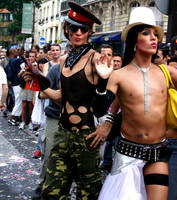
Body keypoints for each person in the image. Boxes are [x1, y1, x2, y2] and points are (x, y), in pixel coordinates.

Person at [23, 1, 113, 199]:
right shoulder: (65, 59)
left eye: (83, 29)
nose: (78, 33)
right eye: (74, 28)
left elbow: (99, 110)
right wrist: (39, 81)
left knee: (87, 194)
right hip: (62, 135)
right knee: (51, 192)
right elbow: (61, 97)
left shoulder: (96, 59)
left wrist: (102, 82)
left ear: (89, 31)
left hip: (85, 138)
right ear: (67, 29)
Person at [86, 7, 177, 200]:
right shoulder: (119, 76)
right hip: (128, 153)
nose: (154, 38)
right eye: (146, 33)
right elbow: (100, 108)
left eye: (155, 34)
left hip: (158, 153)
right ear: (134, 40)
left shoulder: (167, 72)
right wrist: (102, 81)